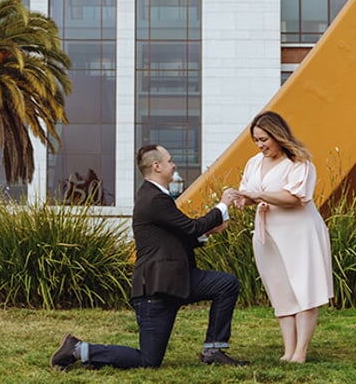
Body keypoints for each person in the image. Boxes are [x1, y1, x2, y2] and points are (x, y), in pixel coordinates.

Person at [50, 144, 249, 370]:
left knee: (225, 284)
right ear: (157, 166)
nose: (174, 165)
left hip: (175, 281)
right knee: (148, 360)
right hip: (156, 289)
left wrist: (209, 231)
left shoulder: (156, 197)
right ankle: (77, 349)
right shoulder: (154, 199)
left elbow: (177, 237)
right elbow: (191, 228)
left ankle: (213, 350)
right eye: (169, 160)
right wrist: (223, 205)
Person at [236, 111, 333, 363]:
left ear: (278, 136)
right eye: (256, 140)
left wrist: (258, 195)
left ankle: (301, 351)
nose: (260, 145)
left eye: (264, 139)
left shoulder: (299, 163)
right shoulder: (254, 163)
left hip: (300, 234)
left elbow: (295, 198)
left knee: (305, 289)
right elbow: (250, 192)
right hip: (268, 234)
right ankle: (288, 350)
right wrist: (243, 199)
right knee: (281, 291)